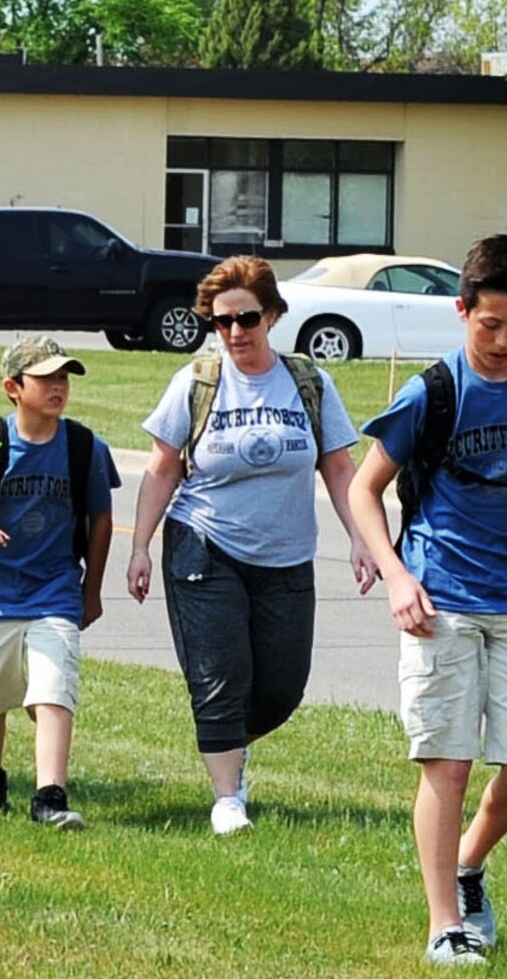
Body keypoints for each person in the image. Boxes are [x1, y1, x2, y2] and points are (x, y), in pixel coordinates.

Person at [347, 234, 507, 967]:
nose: (502, 340)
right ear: (462, 310)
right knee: (448, 762)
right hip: (442, 601)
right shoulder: (431, 392)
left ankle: (468, 862)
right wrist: (398, 575)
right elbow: (365, 490)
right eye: (489, 324)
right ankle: (444, 924)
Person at [127, 256, 378, 835]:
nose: (236, 332)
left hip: (287, 556)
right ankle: (226, 799)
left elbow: (339, 469)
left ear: (273, 315)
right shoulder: (196, 382)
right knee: (220, 675)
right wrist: (140, 546)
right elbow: (162, 469)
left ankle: (230, 748)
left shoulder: (309, 382)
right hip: (203, 544)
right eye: (222, 322)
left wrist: (361, 540)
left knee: (282, 689)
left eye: (247, 319)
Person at [0, 336, 119, 829]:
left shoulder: (83, 447)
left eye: (64, 378)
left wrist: (92, 589)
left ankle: (49, 798)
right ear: (13, 387)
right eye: (46, 379)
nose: (59, 387)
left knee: (53, 688)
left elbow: (101, 518)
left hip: (54, 589)